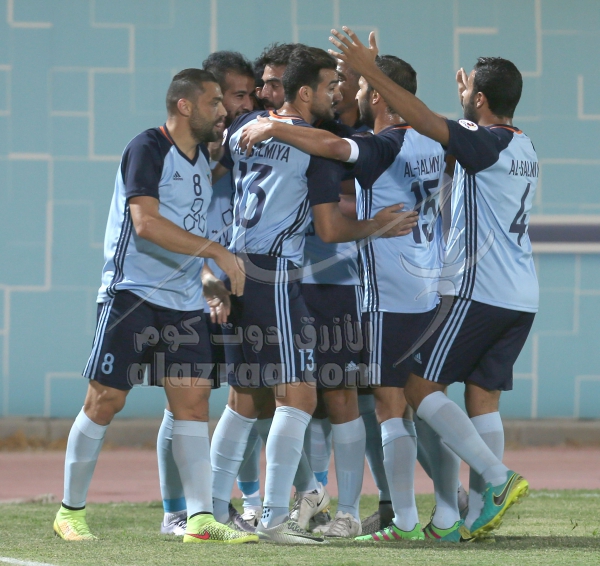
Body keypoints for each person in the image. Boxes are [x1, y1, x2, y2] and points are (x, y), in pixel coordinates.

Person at [329, 27, 537, 540]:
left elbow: (423, 120)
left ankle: (495, 478)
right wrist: (464, 111)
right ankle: (462, 518)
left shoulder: (482, 142)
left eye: (469, 92)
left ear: (481, 100)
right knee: (483, 397)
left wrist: (371, 71)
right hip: (521, 295)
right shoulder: (523, 145)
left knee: (418, 388)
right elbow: (441, 133)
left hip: (476, 290)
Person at [209, 45, 417, 544]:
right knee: (300, 395)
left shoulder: (245, 127)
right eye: (329, 86)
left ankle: (207, 513)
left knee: (244, 397)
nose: (337, 94)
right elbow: (329, 228)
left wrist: (276, 126)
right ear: (305, 92)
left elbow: (233, 158)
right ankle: (274, 518)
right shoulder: (316, 148)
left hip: (236, 268)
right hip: (275, 272)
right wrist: (376, 225)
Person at [53, 68, 257, 545]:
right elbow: (145, 224)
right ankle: (69, 512)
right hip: (132, 296)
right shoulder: (147, 147)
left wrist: (206, 278)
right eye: (213, 102)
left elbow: (187, 227)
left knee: (193, 405)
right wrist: (216, 252)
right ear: (185, 106)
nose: (222, 111)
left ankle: (200, 519)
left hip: (183, 304)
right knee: (106, 400)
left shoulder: (203, 160)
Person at [156, 52, 256, 536]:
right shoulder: (183, 155)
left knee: (244, 395)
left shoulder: (243, 150)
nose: (242, 105)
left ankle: (232, 503)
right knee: (184, 407)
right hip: (194, 297)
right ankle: (176, 510)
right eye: (234, 96)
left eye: (248, 95)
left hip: (234, 292)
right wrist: (207, 281)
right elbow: (172, 232)